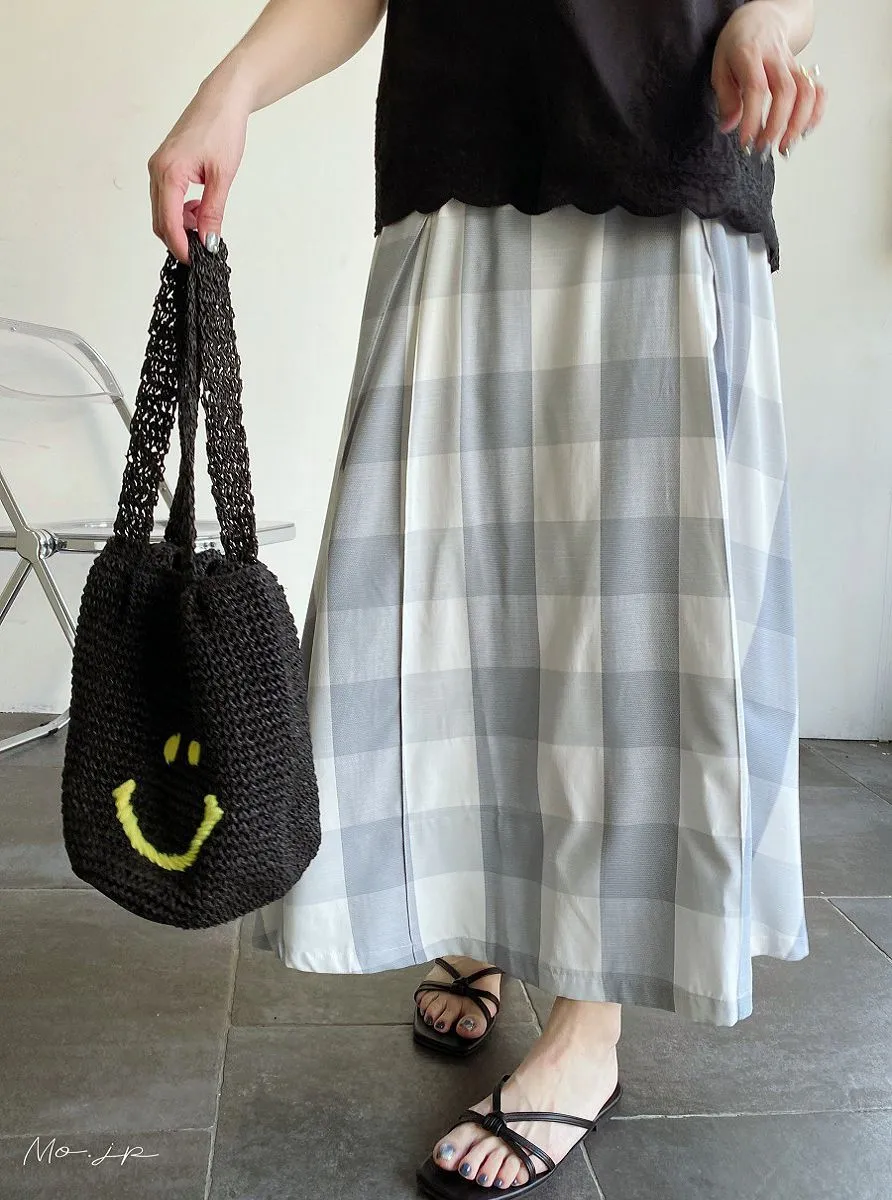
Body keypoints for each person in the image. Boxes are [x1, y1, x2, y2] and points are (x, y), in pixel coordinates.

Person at [149, 2, 826, 1194]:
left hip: (659, 143)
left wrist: (768, 12)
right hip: (458, 155)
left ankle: (587, 1027)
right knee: (445, 594)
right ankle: (482, 912)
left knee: (625, 619)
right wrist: (232, 86)